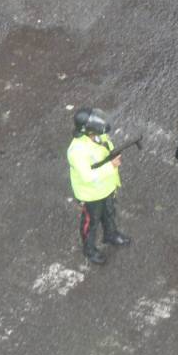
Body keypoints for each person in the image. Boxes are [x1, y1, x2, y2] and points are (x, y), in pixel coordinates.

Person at [67, 107, 131, 265]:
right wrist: (111, 166)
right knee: (91, 222)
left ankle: (110, 234)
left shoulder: (98, 135)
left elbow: (106, 148)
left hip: (107, 187)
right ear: (87, 130)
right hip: (91, 195)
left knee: (109, 212)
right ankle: (89, 250)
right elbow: (88, 176)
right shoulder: (76, 151)